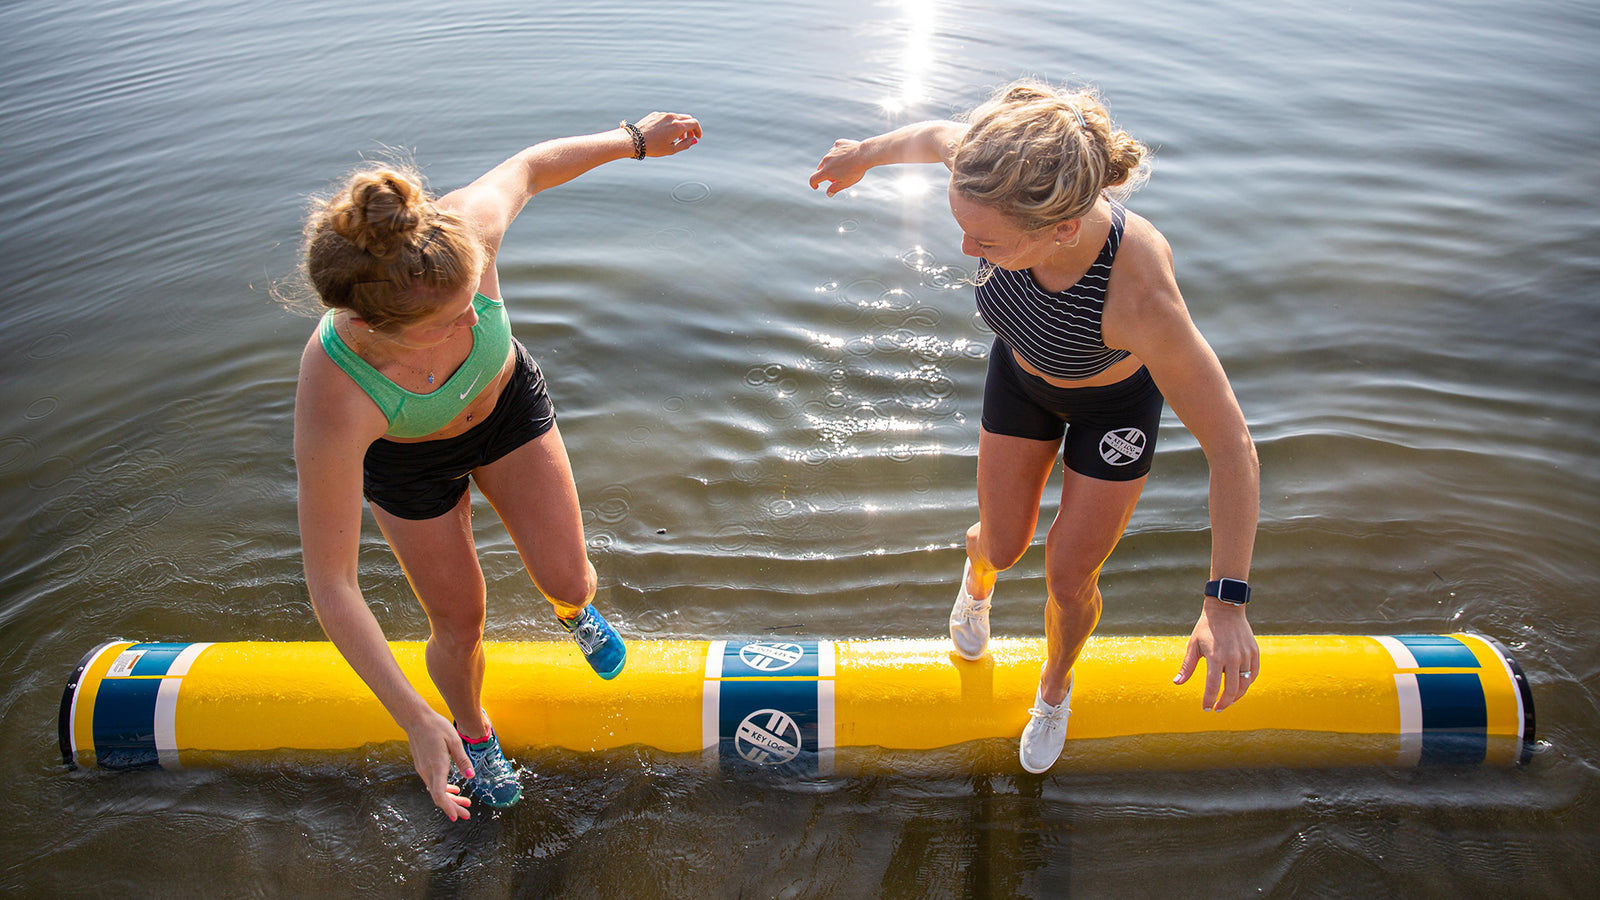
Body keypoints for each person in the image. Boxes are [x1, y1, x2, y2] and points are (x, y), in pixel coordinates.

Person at [810, 81, 1260, 773]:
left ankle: (1053, 690)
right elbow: (934, 137)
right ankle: (978, 576)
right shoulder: (994, 171)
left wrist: (1225, 603)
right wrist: (864, 156)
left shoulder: (1139, 295)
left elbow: (1231, 450)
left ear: (1061, 230)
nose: (966, 250)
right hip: (1022, 380)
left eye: (985, 241)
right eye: (962, 226)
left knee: (1069, 574)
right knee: (1003, 543)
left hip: (1113, 413)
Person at [292, 112, 702, 819]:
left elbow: (533, 166)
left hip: (506, 410)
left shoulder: (461, 229)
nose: (474, 323)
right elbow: (332, 586)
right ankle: (473, 730)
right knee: (461, 620)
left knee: (569, 577)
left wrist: (636, 139)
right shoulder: (336, 388)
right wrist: (417, 718)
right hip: (409, 463)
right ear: (370, 330)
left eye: (474, 297)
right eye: (450, 321)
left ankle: (573, 612)